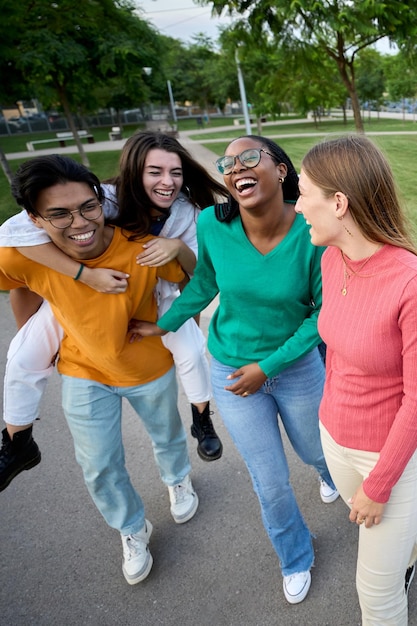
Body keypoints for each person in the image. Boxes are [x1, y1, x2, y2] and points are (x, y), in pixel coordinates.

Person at [128, 135, 339, 605]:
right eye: (229, 162)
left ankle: (332, 476)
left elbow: (321, 317)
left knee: (313, 449)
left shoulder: (312, 231)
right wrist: (161, 326)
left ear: (280, 170)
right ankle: (295, 555)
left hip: (296, 366)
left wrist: (267, 367)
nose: (236, 167)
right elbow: (205, 283)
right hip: (231, 372)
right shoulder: (212, 223)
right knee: (269, 478)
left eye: (250, 157)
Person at [0, 154, 199, 584]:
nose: (79, 222)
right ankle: (132, 528)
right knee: (100, 465)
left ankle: (177, 479)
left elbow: (189, 280)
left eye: (87, 206)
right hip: (83, 372)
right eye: (59, 214)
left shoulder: (138, 243)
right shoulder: (27, 256)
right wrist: (30, 336)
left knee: (167, 435)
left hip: (147, 366)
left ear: (101, 201)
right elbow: (15, 282)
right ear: (34, 219)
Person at [0, 131, 226, 491]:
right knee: (23, 352)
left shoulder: (187, 213)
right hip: (84, 294)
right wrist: (83, 275)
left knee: (191, 348)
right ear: (134, 171)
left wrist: (175, 249)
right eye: (155, 171)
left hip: (157, 289)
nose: (167, 182)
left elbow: (198, 278)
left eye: (176, 172)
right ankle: (17, 441)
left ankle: (201, 419)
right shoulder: (99, 199)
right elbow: (14, 234)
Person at [295, 134, 417, 625]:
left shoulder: (408, 281)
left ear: (338, 203)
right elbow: (342, 354)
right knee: (397, 550)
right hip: (337, 440)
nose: (297, 205)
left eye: (304, 193)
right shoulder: (330, 257)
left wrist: (383, 481)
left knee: (376, 595)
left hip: (390, 458)